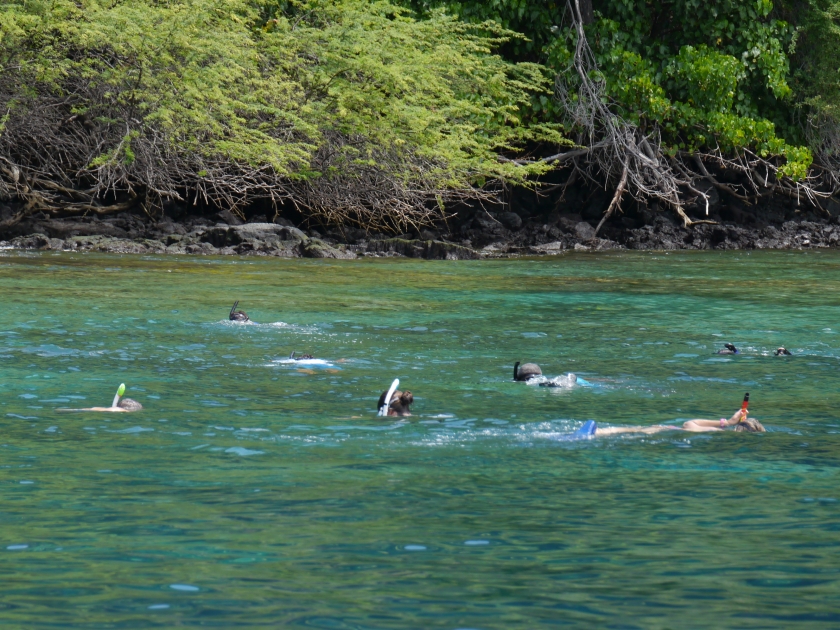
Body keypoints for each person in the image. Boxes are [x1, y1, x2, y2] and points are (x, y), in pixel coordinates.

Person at [593, 408, 764, 436]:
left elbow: (689, 425)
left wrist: (727, 422)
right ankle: (599, 432)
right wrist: (727, 422)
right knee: (633, 429)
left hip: (665, 432)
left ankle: (598, 433)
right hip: (666, 429)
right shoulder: (721, 432)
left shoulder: (719, 433)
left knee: (634, 430)